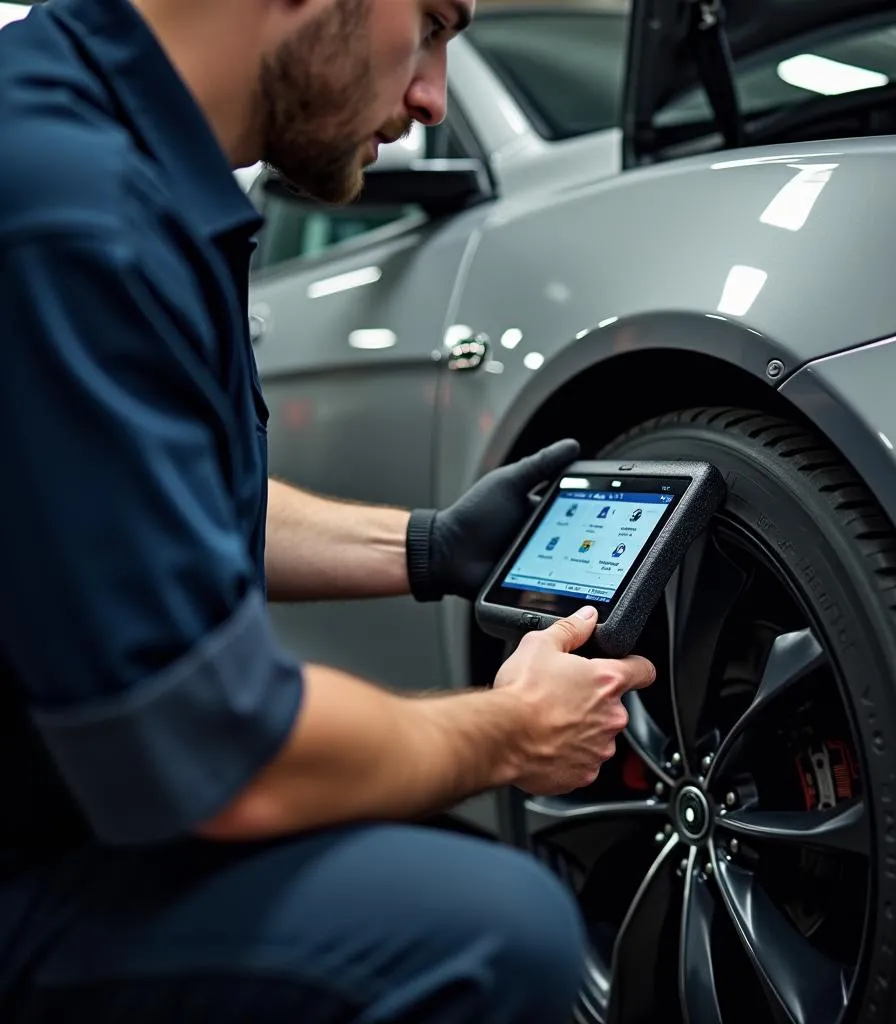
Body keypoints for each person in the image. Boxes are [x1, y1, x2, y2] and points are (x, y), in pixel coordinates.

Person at [0, 1, 658, 1021]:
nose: (430, 92)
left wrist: (431, 547)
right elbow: (220, 754)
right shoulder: (68, 211)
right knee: (492, 927)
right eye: (433, 23)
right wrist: (512, 731)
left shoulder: (87, 139)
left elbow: (137, 510)